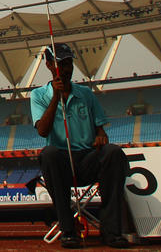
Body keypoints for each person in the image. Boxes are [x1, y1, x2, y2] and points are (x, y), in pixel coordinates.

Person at [30, 43, 131, 249]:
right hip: (62, 162)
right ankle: (69, 230)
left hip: (87, 158)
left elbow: (100, 128)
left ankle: (112, 231)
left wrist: (101, 137)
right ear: (49, 65)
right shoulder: (38, 95)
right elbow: (42, 131)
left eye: (69, 64)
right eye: (61, 64)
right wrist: (56, 97)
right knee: (48, 154)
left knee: (113, 152)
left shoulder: (86, 94)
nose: (66, 69)